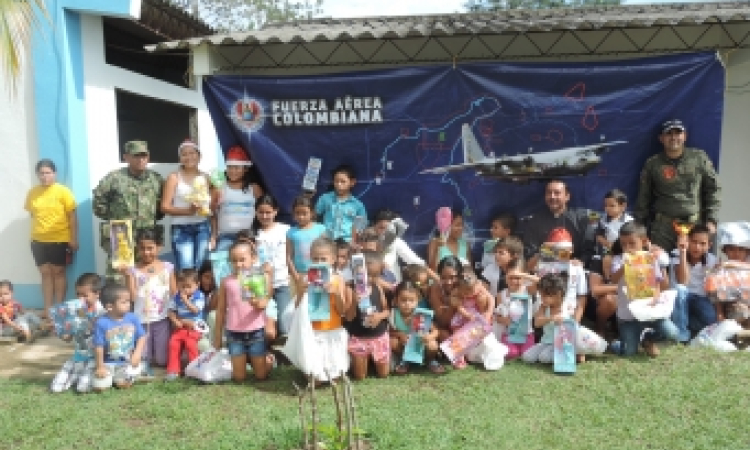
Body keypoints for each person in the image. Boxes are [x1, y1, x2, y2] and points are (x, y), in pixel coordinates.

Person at [634, 119, 721, 251]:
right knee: (660, 264)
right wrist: (639, 226)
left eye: (678, 133)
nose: (673, 137)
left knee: (695, 267)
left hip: (694, 226)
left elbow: (713, 189)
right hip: (663, 228)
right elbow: (643, 197)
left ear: (685, 136)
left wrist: (712, 220)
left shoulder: (699, 158)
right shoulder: (652, 164)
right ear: (661, 138)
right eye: (669, 134)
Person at [92, 141, 164, 283]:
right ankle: (120, 305)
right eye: (136, 156)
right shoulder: (114, 178)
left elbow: (162, 205)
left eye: (144, 156)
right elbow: (98, 204)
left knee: (146, 276)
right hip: (122, 233)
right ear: (126, 157)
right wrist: (117, 218)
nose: (141, 160)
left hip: (147, 235)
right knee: (119, 278)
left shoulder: (156, 179)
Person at [610, 222, 679, 356]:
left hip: (650, 312)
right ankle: (617, 344)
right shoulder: (619, 259)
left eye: (632, 243)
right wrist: (625, 266)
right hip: (628, 316)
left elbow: (659, 285)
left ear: (644, 242)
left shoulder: (650, 259)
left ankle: (648, 339)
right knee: (629, 352)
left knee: (672, 333)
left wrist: (655, 298)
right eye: (624, 244)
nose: (628, 248)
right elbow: (613, 279)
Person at [213, 239, 272, 382]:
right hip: (234, 333)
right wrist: (218, 336)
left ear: (253, 259)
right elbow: (220, 310)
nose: (238, 264)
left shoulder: (261, 277)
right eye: (234, 261)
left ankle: (269, 360)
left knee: (261, 376)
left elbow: (265, 303)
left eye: (242, 260)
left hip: (256, 331)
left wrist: (257, 302)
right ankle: (244, 362)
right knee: (239, 378)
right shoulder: (226, 281)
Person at [24, 159, 78, 316]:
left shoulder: (63, 192)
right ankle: (48, 309)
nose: (44, 176)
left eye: (48, 173)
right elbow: (33, 214)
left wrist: (73, 238)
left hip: (59, 239)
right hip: (37, 240)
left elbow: (72, 217)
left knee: (58, 273)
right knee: (45, 273)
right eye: (41, 173)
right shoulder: (32, 193)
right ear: (37, 175)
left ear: (54, 173)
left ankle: (59, 309)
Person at [294, 237, 350, 382]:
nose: (318, 262)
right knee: (315, 379)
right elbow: (297, 308)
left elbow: (342, 310)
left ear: (333, 259)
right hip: (313, 331)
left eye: (323, 259)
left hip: (332, 329)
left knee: (335, 377)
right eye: (315, 258)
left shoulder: (338, 279)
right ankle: (311, 370)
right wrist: (301, 291)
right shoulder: (304, 278)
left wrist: (336, 293)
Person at [123, 228, 176, 369]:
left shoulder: (167, 268)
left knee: (162, 361)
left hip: (161, 320)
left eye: (150, 248)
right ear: (137, 249)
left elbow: (174, 293)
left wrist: (174, 316)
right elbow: (132, 297)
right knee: (144, 359)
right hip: (141, 321)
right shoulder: (134, 270)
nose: (146, 252)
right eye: (142, 248)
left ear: (159, 247)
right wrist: (128, 277)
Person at [519, 179, 595, 270]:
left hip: (575, 271)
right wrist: (553, 252)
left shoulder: (581, 218)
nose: (552, 196)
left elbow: (589, 250)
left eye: (557, 193)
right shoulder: (535, 221)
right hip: (544, 272)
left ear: (567, 196)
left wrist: (581, 261)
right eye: (549, 193)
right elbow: (530, 258)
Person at [161, 139, 212, 271]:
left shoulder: (206, 177)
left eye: (192, 153)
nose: (188, 157)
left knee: (201, 267)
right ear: (180, 158)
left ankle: (199, 293)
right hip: (181, 228)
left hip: (203, 226)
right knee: (186, 269)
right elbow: (164, 207)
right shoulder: (174, 177)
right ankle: (185, 292)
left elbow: (210, 204)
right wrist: (188, 211)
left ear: (199, 156)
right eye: (184, 154)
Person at [50, 273, 105, 393]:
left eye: (85, 295)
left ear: (97, 294)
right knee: (56, 387)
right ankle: (75, 377)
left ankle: (84, 378)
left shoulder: (103, 314)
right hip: (77, 358)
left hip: (94, 359)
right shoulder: (75, 311)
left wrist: (86, 320)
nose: (80, 299)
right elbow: (68, 338)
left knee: (82, 388)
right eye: (78, 294)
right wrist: (61, 332)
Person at [345, 250, 391, 380]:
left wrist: (380, 316)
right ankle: (364, 359)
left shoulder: (378, 287)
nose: (370, 279)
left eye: (375, 275)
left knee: (384, 374)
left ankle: (372, 359)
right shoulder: (350, 289)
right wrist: (354, 302)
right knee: (360, 376)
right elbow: (348, 317)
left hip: (379, 337)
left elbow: (387, 310)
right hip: (360, 338)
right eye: (368, 275)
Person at [92, 284, 146, 391]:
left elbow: (141, 336)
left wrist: (137, 354)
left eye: (129, 301)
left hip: (127, 363)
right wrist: (100, 366)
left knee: (123, 385)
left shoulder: (132, 318)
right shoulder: (101, 323)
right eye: (124, 302)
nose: (128, 305)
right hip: (107, 363)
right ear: (109, 307)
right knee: (100, 388)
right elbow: (99, 346)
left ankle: (124, 376)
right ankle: (108, 377)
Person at [210, 145, 263, 251]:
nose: (232, 171)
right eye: (230, 167)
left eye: (236, 167)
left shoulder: (254, 188)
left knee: (246, 266)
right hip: (225, 236)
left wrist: (260, 234)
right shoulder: (220, 187)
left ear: (245, 169)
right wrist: (214, 236)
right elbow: (212, 214)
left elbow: (262, 211)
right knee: (222, 267)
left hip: (248, 236)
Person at [254, 194, 292, 336]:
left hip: (282, 283)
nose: (264, 216)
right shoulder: (254, 234)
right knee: (262, 326)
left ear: (275, 211)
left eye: (268, 212)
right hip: (261, 286)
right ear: (256, 212)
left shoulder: (287, 230)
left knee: (285, 325)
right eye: (261, 212)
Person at [672, 223, 717, 340]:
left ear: (709, 246)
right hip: (680, 299)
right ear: (687, 241)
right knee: (681, 290)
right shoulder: (677, 255)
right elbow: (683, 282)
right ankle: (682, 335)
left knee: (711, 320)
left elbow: (712, 289)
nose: (697, 247)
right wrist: (682, 252)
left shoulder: (712, 260)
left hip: (701, 298)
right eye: (694, 242)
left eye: (702, 244)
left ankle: (683, 325)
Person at [389, 281, 444, 374]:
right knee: (392, 342)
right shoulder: (393, 314)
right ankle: (405, 361)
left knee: (433, 345)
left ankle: (429, 361)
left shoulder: (422, 314)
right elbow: (389, 332)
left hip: (421, 345)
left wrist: (430, 337)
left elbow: (436, 331)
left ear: (418, 300)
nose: (407, 304)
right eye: (403, 300)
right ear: (396, 300)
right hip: (404, 345)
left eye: (411, 300)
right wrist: (400, 334)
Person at [372, 209, 438, 284]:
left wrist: (438, 281)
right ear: (374, 227)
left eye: (389, 229)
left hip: (395, 287)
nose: (385, 232)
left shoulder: (395, 241)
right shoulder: (366, 243)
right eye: (381, 228)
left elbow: (417, 263)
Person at [448, 268, 494, 369]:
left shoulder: (480, 287)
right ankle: (459, 358)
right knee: (458, 337)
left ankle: (481, 353)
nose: (469, 294)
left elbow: (491, 299)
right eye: (465, 292)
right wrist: (467, 315)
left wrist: (489, 312)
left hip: (476, 316)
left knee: (478, 334)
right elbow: (459, 307)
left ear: (477, 284)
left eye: (471, 291)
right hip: (463, 317)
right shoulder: (456, 292)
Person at [165, 269, 206, 381]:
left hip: (195, 328)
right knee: (173, 343)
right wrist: (175, 320)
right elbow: (170, 311)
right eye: (182, 286)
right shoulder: (176, 296)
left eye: (188, 286)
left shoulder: (199, 296)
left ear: (197, 285)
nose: (185, 290)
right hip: (181, 327)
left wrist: (186, 301)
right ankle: (173, 370)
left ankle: (195, 370)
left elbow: (195, 311)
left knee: (190, 344)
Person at [494, 259, 539, 360]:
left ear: (523, 278)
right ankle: (511, 348)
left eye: (518, 278)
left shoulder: (527, 290)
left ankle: (523, 348)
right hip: (509, 334)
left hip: (526, 334)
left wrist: (523, 274)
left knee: (528, 355)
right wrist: (504, 320)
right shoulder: (501, 295)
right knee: (512, 354)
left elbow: (540, 281)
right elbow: (498, 316)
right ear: (506, 277)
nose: (514, 281)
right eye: (511, 277)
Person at [314, 164, 367, 243]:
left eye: (343, 181)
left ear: (352, 182)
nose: (339, 184)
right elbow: (315, 216)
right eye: (336, 181)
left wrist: (354, 242)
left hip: (347, 243)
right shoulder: (325, 198)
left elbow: (360, 227)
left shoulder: (358, 205)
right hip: (327, 241)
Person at [287, 195, 327, 289]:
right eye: (297, 213)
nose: (301, 217)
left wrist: (324, 273)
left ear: (312, 213)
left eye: (304, 213)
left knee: (316, 301)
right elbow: (289, 257)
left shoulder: (320, 229)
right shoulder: (291, 232)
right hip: (299, 275)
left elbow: (327, 252)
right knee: (299, 302)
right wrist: (296, 276)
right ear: (293, 214)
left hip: (319, 273)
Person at [427, 256, 462, 344]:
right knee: (444, 335)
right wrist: (452, 306)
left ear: (460, 275)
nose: (448, 282)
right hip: (445, 327)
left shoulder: (466, 285)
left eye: (452, 277)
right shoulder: (436, 289)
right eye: (443, 278)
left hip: (464, 323)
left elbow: (488, 297)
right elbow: (442, 322)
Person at [596, 189, 633, 255]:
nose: (607, 208)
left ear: (623, 206)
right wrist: (608, 244)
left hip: (624, 252)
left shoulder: (629, 221)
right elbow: (599, 236)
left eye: (612, 206)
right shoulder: (603, 220)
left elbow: (632, 238)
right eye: (605, 205)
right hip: (607, 252)